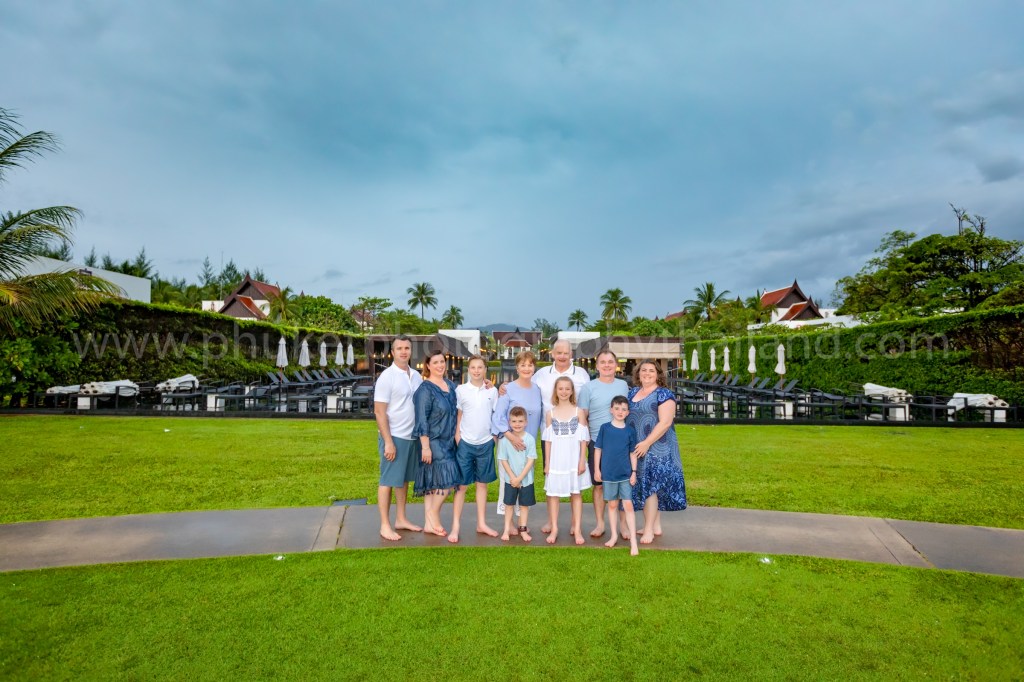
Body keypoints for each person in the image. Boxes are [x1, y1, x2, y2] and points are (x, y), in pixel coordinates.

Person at [628, 360, 687, 544]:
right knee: (648, 485)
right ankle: (656, 525)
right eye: (643, 370)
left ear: (658, 374)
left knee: (651, 487)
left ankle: (648, 530)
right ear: (638, 373)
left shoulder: (664, 394)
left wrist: (646, 443)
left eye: (651, 370)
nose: (646, 373)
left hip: (657, 446)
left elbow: (665, 422)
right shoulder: (632, 393)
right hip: (638, 446)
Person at [373, 335, 424, 541]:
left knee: (403, 481)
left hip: (411, 437)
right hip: (393, 437)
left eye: (407, 348)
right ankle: (385, 525)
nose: (404, 351)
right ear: (392, 352)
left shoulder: (417, 376)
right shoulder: (387, 376)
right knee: (387, 480)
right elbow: (379, 412)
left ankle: (401, 519)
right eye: (399, 348)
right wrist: (388, 442)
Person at [578, 349, 629, 538]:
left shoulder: (624, 385)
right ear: (597, 365)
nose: (607, 365)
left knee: (623, 484)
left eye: (610, 362)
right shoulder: (588, 388)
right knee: (598, 484)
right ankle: (600, 524)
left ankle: (623, 525)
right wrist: (585, 442)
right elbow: (583, 416)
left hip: (621, 443)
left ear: (616, 365)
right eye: (603, 362)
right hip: (597, 443)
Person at [491, 351, 543, 530]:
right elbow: (497, 417)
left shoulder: (537, 390)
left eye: (530, 365)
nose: (526, 368)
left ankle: (522, 522)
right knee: (509, 482)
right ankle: (509, 523)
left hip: (527, 445)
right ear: (517, 367)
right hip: (509, 443)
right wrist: (511, 437)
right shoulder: (508, 389)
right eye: (523, 365)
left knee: (525, 481)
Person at [450, 355, 499, 543]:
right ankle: (455, 526)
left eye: (480, 367)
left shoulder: (492, 391)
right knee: (461, 486)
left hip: (486, 443)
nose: (477, 370)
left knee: (482, 484)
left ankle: (482, 523)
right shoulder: (461, 390)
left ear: (486, 369)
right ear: (468, 370)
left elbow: (495, 415)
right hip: (466, 443)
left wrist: (493, 438)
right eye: (473, 367)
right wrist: (458, 437)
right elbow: (459, 414)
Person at [412, 349, 461, 537]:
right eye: (436, 363)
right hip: (432, 442)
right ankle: (432, 513)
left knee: (432, 483)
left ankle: (429, 524)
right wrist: (425, 446)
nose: (440, 365)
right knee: (447, 480)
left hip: (448, 440)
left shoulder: (450, 385)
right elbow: (421, 420)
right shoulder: (424, 390)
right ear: (427, 366)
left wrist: (488, 385)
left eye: (442, 362)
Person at [542, 376, 591, 545]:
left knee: (576, 494)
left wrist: (582, 460)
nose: (564, 392)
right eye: (560, 388)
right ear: (556, 391)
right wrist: (547, 463)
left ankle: (577, 529)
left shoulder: (579, 412)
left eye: (567, 389)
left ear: (572, 391)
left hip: (573, 459)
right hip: (556, 460)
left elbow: (583, 439)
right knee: (553, 494)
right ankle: (554, 528)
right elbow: (548, 441)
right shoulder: (550, 414)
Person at [593, 395, 639, 556]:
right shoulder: (605, 428)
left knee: (628, 505)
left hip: (625, 474)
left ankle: (633, 541)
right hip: (609, 474)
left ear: (628, 413)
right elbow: (598, 449)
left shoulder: (629, 431)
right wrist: (597, 470)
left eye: (624, 409)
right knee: (612, 505)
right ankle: (613, 536)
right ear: (611, 410)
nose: (620, 412)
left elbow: (633, 453)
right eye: (617, 408)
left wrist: (634, 472)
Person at [497, 406, 536, 542]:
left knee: (524, 505)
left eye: (520, 421)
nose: (517, 424)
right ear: (509, 422)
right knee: (509, 505)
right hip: (510, 480)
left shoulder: (530, 439)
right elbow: (503, 460)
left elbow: (531, 460)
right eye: (514, 421)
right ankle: (507, 529)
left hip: (526, 480)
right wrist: (513, 478)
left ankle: (523, 530)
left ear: (526, 422)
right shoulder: (504, 440)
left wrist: (519, 478)